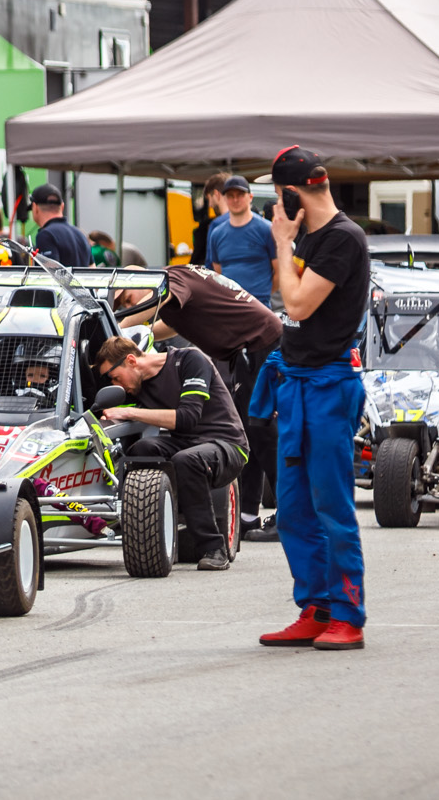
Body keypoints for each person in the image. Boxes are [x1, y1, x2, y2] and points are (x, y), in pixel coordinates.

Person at [252, 145, 370, 652]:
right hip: (299, 382)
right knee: (295, 510)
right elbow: (291, 296)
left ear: (291, 193)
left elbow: (296, 302)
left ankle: (347, 614)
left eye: (278, 196)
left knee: (332, 507)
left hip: (328, 384)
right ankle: (316, 608)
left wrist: (282, 243)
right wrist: (291, 244)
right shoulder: (312, 237)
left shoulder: (342, 237)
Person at [118, 258, 284, 541]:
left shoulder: (170, 278)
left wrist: (118, 326)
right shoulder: (177, 290)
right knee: (252, 430)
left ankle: (291, 517)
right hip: (250, 346)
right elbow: (170, 327)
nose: (130, 305)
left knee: (264, 433)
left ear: (143, 282)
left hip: (260, 343)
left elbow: (157, 296)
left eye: (128, 298)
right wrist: (137, 335)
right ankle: (247, 517)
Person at [95, 334, 247, 571]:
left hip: (227, 443)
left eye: (116, 378)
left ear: (131, 361)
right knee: (141, 449)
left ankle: (213, 548)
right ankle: (151, 537)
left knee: (186, 460)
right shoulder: (137, 384)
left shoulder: (190, 360)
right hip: (186, 443)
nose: (118, 386)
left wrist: (129, 412)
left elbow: (188, 417)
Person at [204, 175, 278, 307]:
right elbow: (218, 272)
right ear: (225, 199)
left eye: (240, 195)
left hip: (259, 307)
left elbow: (279, 271)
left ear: (250, 197)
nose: (235, 200)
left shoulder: (267, 230)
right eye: (230, 196)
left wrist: (262, 295)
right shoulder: (217, 234)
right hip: (229, 308)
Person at [28, 185, 91, 269]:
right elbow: (92, 269)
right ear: (62, 206)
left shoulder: (46, 235)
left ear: (35, 207)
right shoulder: (81, 234)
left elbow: (49, 273)